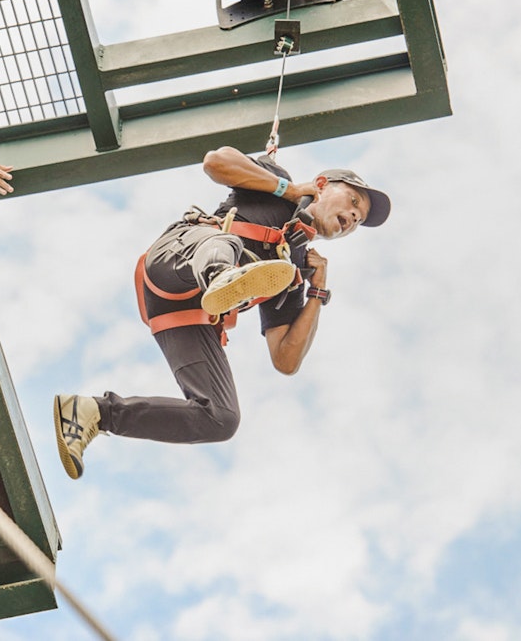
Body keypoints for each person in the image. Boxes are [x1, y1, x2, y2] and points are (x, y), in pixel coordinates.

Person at [54, 145, 391, 479]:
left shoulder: (295, 272)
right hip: (178, 257)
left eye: (359, 219)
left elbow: (285, 360)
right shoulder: (278, 186)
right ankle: (220, 274)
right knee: (228, 244)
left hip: (182, 314)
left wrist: (316, 291)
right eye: (354, 201)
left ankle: (92, 412)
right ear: (321, 185)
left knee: (220, 418)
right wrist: (287, 189)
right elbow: (215, 161)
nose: (355, 217)